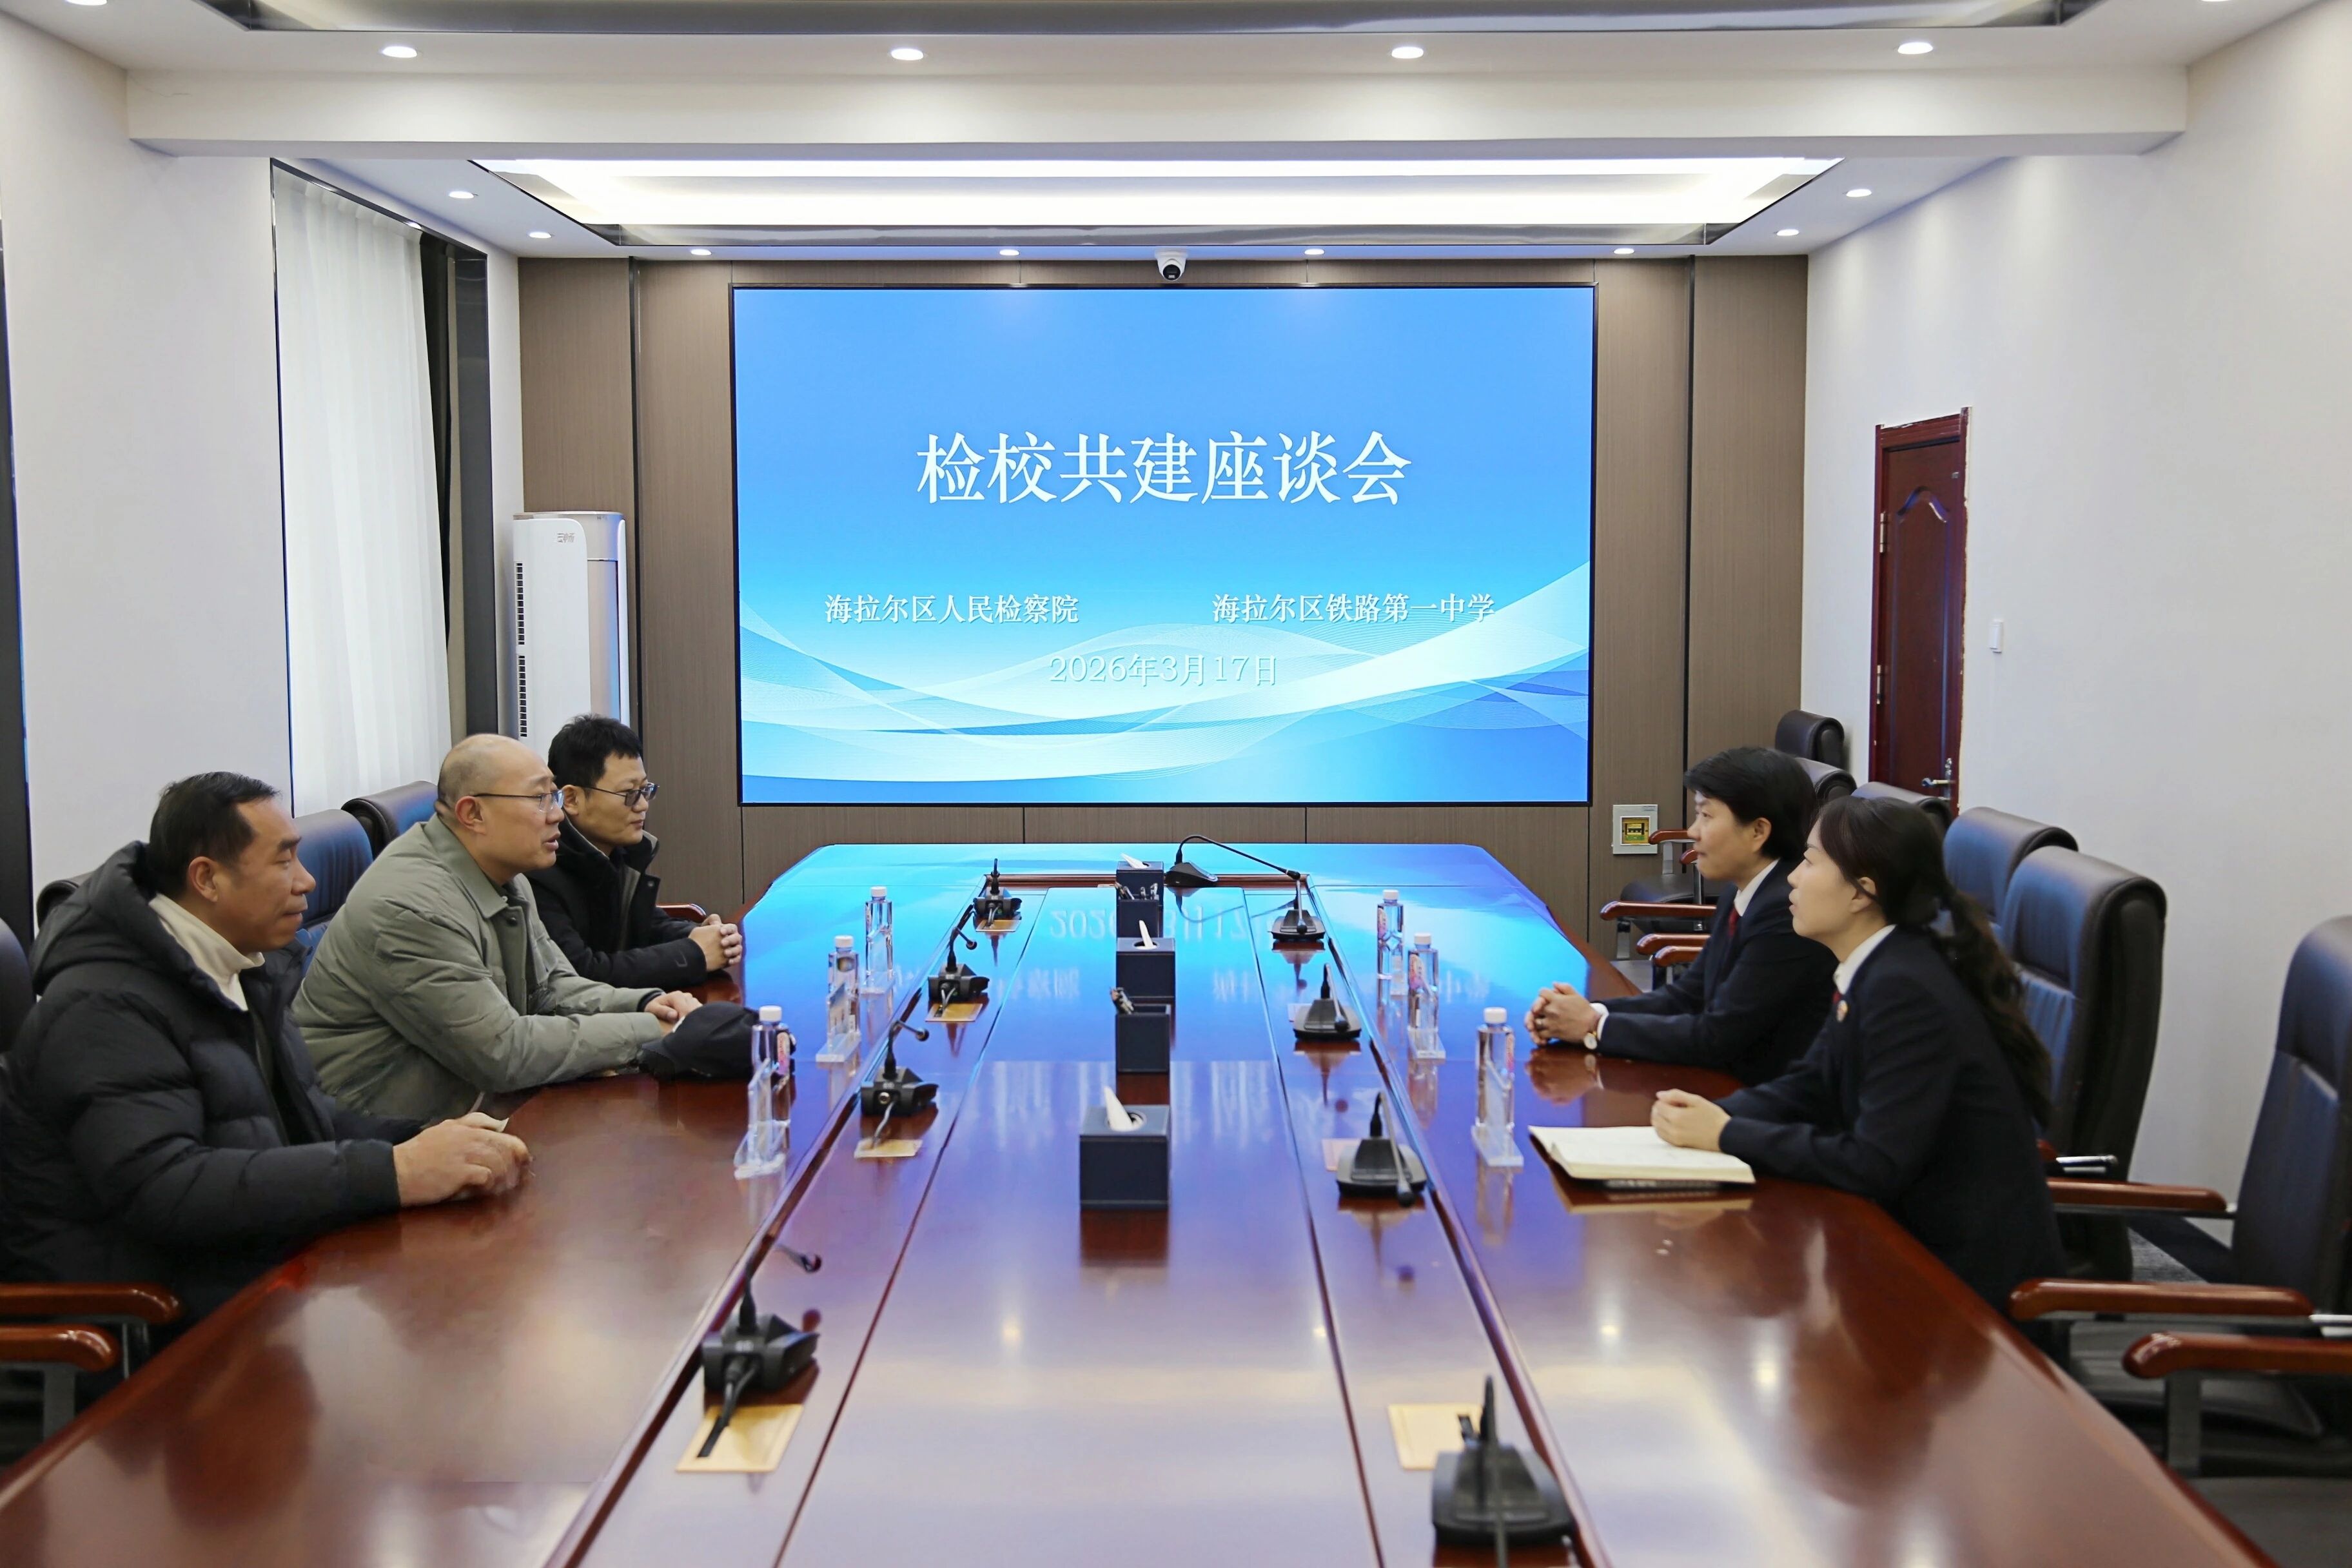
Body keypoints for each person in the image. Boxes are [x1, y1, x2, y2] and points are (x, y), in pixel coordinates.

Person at [0, 774, 531, 1318]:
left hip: (256, 1274)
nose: (307, 881)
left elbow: (303, 1119)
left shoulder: (242, 963)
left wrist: (432, 1141)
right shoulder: (103, 1007)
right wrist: (392, 1172)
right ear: (207, 879)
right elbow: (167, 1189)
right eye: (284, 862)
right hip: (151, 1323)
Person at [1651, 794, 2063, 1311]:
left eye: (1810, 862)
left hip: (1965, 1289)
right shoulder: (1879, 965)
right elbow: (1812, 1083)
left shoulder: (1905, 990)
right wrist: (1715, 1115)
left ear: (1861, 893)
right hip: (1908, 1245)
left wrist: (1725, 1134)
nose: (1793, 878)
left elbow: (1874, 1162)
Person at [297, 735, 702, 1122]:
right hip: (388, 1134)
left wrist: (645, 1005)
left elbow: (553, 986)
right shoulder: (411, 908)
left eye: (555, 796)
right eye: (540, 799)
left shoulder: (503, 870)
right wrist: (652, 1030)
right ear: (473, 814)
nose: (558, 814)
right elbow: (503, 1054)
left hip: (472, 1105)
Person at [1525, 747, 1834, 1084]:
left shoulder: (1787, 911)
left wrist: (1593, 1027)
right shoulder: (1743, 892)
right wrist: (1590, 1013)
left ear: (1758, 831)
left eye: (1706, 816)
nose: (1693, 831)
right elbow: (1688, 996)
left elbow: (1716, 1038)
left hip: (1763, 1096)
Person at [529, 714, 741, 990]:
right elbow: (582, 974)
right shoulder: (540, 869)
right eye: (629, 793)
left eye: (645, 790)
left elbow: (646, 926)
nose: (643, 805)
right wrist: (695, 954)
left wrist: (700, 935)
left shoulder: (617, 854)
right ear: (571, 799)